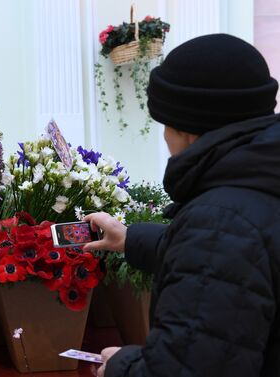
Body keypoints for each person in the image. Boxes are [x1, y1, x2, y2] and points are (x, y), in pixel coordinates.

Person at [84, 33, 280, 377]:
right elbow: (242, 256)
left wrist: (120, 365)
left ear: (186, 129)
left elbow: (187, 367)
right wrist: (130, 238)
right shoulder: (261, 180)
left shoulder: (220, 221)